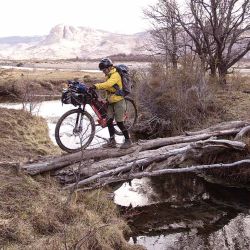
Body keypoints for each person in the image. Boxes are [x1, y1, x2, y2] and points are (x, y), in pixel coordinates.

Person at [91, 58, 132, 149]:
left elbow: (108, 84)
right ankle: (112, 141)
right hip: (110, 101)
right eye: (102, 70)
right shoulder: (108, 75)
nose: (103, 72)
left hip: (118, 101)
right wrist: (105, 97)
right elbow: (108, 88)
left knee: (119, 122)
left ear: (109, 67)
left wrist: (96, 86)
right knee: (109, 121)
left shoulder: (115, 75)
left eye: (104, 70)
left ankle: (128, 140)